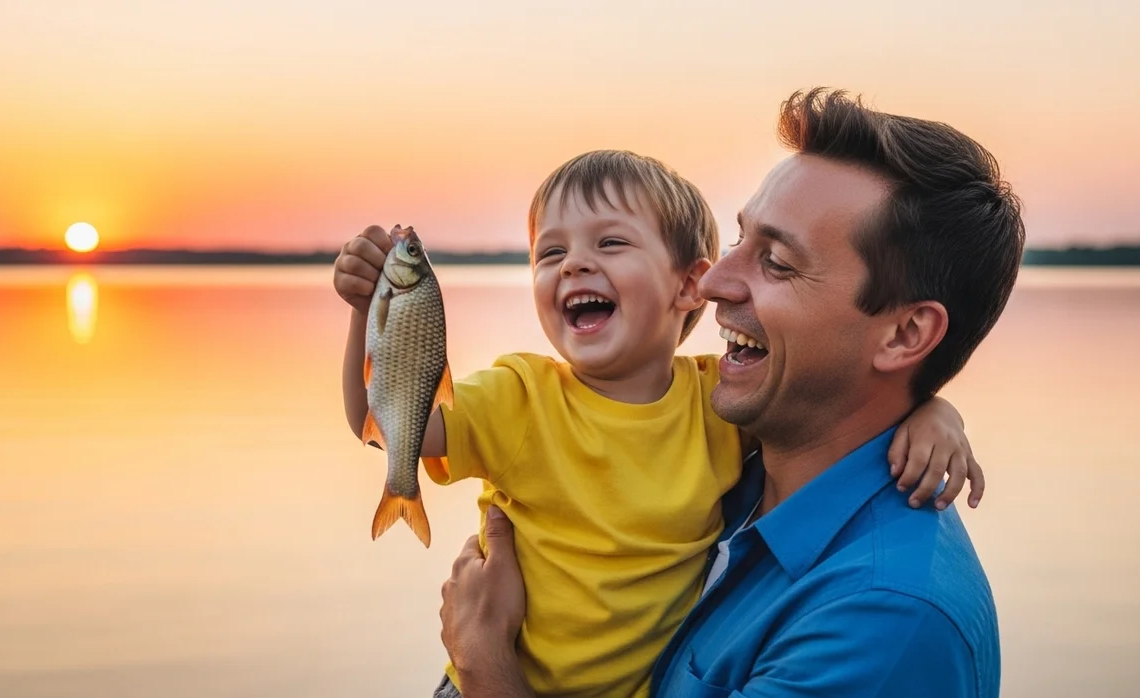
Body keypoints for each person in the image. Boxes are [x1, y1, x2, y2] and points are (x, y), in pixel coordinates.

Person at [436, 88, 1023, 697]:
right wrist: (932, 403)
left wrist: (484, 664)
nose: (713, 282)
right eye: (740, 240)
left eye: (776, 262)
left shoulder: (886, 622)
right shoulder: (743, 467)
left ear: (905, 334)